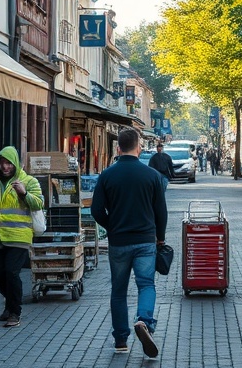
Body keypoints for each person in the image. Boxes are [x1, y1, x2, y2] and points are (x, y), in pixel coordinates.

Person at [91, 127, 168, 357]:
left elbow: (96, 210)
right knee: (146, 284)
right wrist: (160, 238)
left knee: (118, 291)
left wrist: (112, 227)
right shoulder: (152, 176)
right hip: (145, 240)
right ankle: (144, 321)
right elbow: (161, 212)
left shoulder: (107, 175)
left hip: (119, 242)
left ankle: (120, 340)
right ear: (139, 147)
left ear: (118, 148)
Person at [0, 146, 42, 328]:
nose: (5, 167)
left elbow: (39, 203)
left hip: (19, 236)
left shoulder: (28, 181)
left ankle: (14, 312)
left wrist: (24, 193)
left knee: (12, 273)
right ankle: (11, 301)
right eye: (2, 163)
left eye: (9, 163)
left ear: (15, 164)